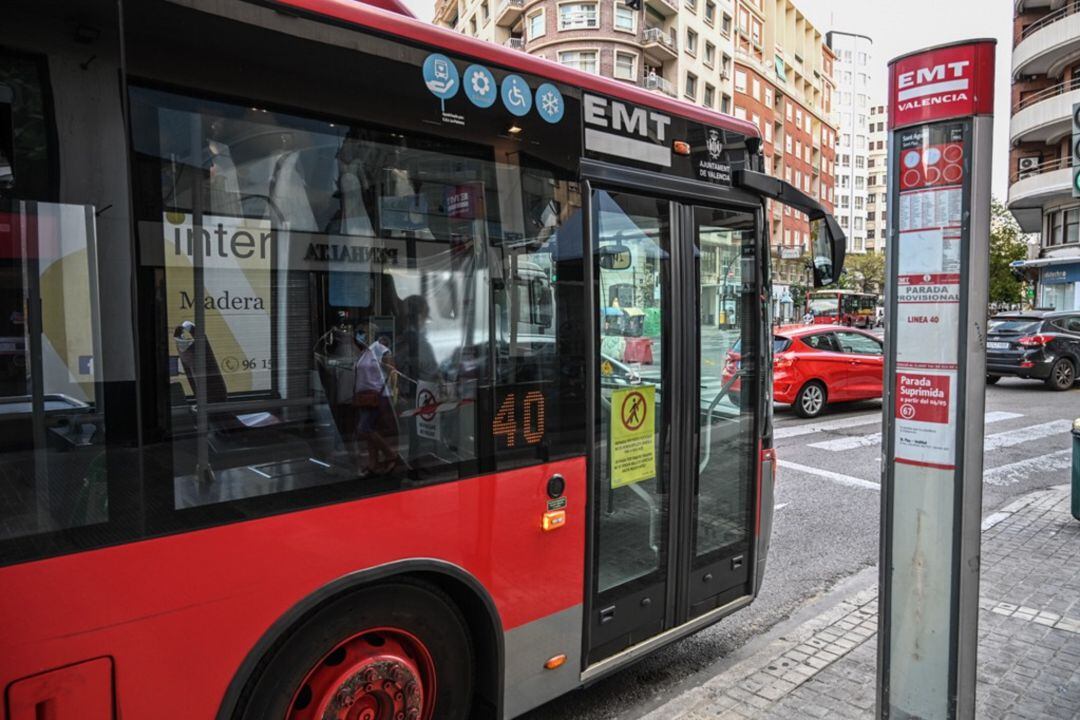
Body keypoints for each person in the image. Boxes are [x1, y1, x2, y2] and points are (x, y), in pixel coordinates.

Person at [353, 329, 398, 474]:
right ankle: (373, 463)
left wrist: (395, 392)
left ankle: (390, 454)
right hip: (364, 397)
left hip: (378, 395)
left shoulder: (379, 348)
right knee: (371, 430)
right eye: (359, 332)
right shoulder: (364, 352)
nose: (360, 335)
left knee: (364, 428)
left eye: (363, 332)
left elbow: (392, 371)